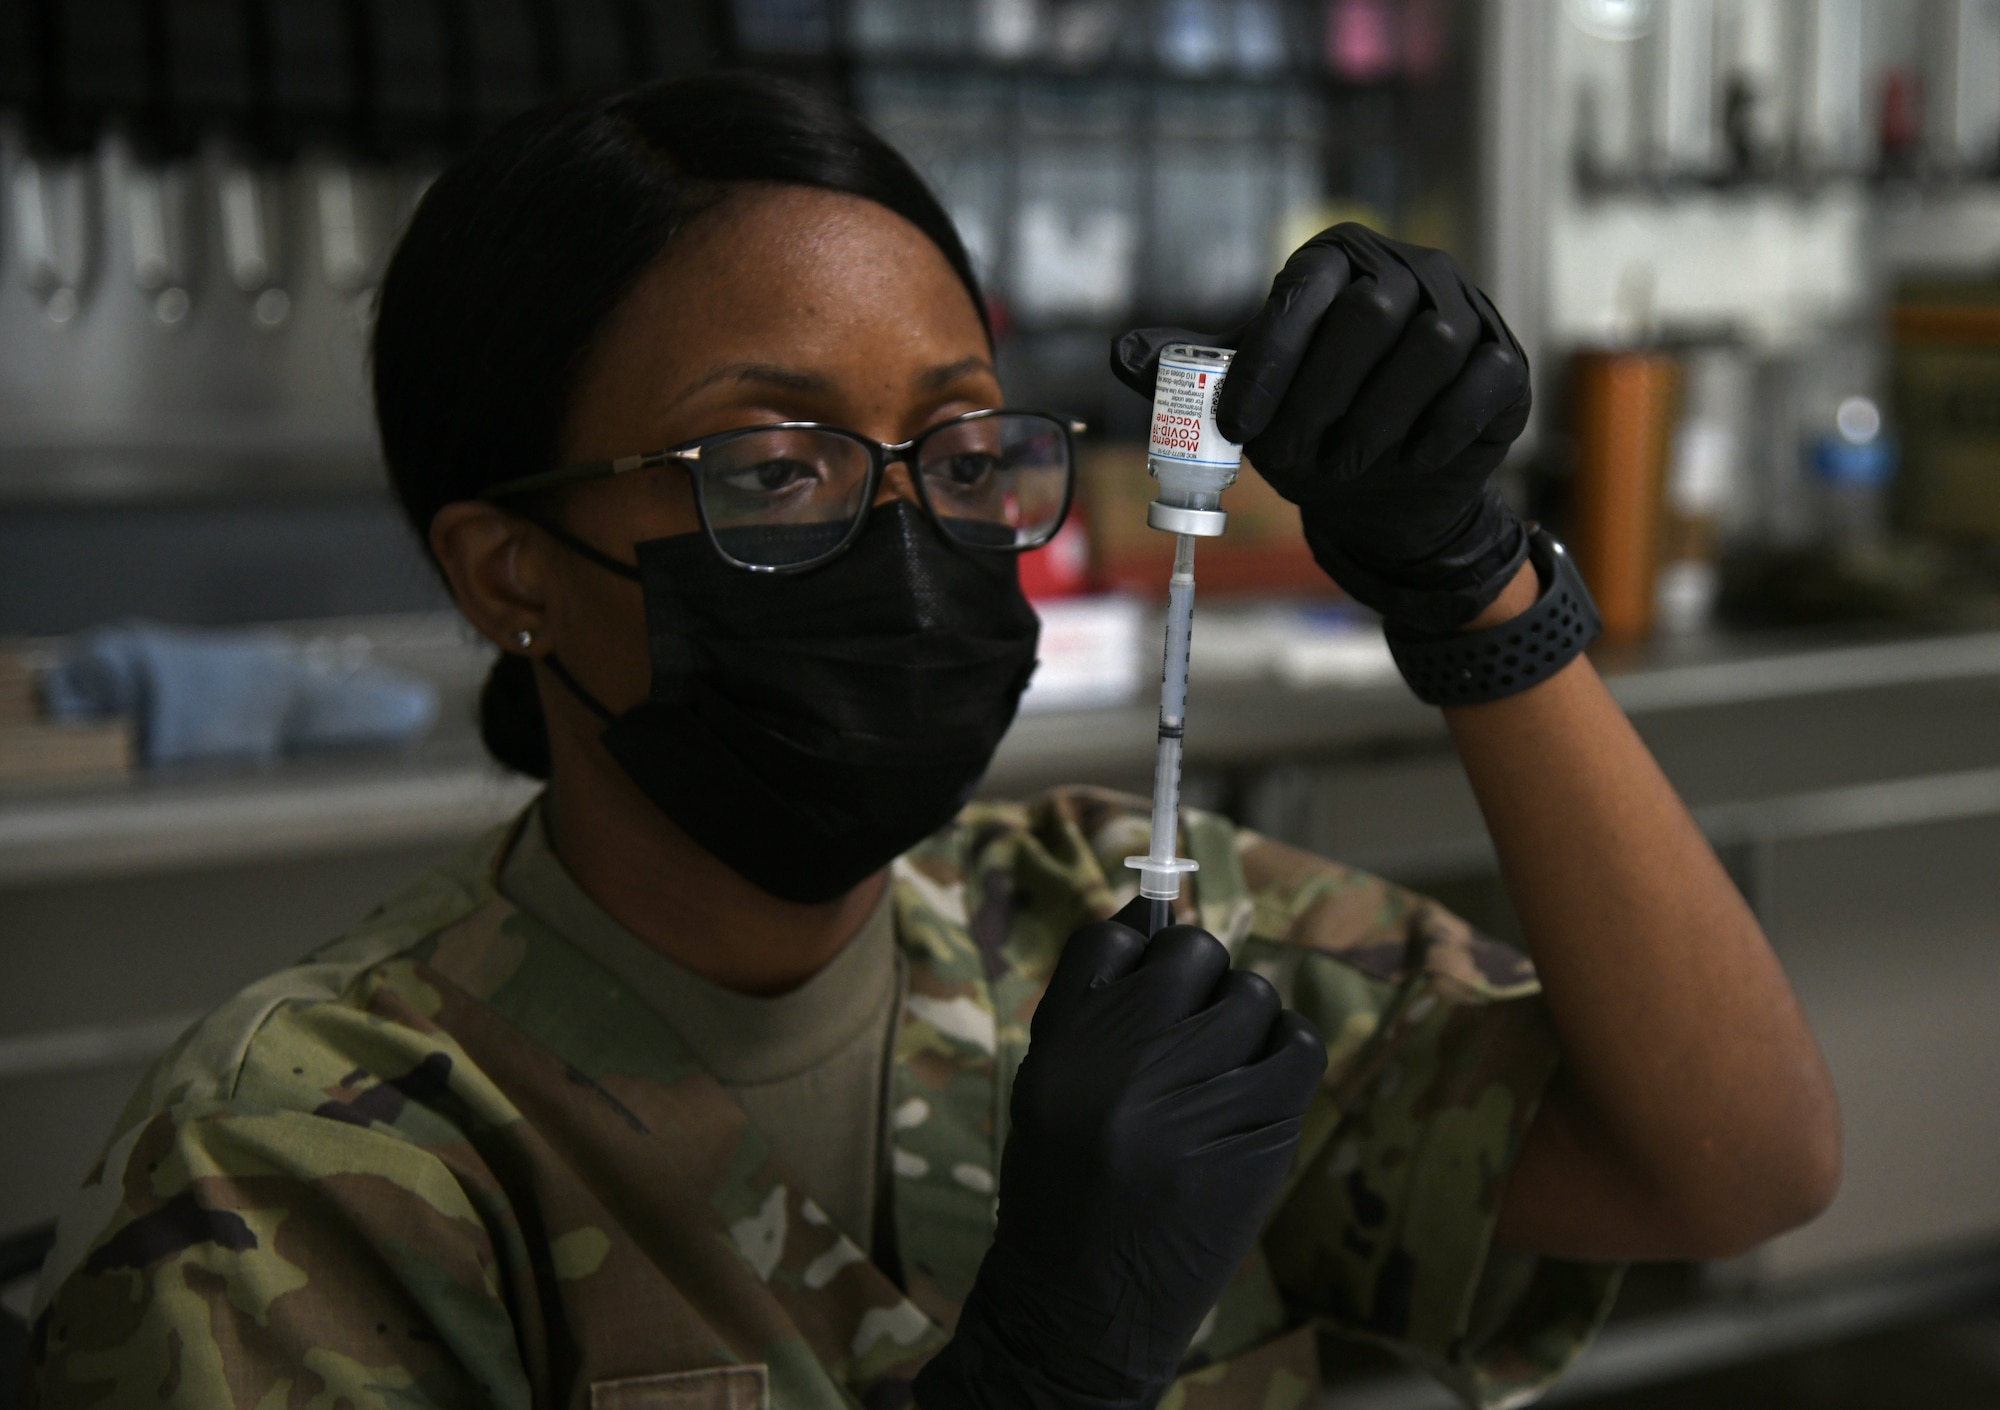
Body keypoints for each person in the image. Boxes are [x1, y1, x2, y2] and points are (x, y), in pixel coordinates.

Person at [24, 73, 1839, 1410]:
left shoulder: (1132, 943)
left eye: (962, 451)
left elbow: (1734, 1163)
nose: (904, 543)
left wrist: (1474, 588)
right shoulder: (301, 1171)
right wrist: (1038, 1372)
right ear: (513, 573)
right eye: (774, 467)